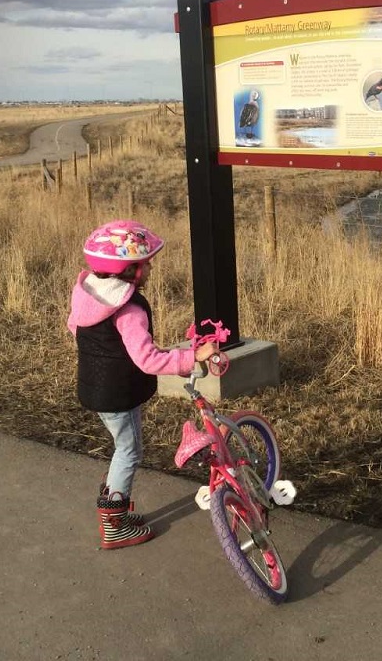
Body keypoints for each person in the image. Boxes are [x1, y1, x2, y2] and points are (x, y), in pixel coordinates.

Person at [67, 220, 215, 550]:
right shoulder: (128, 310)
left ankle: (114, 508)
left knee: (123, 447)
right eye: (145, 262)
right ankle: (114, 523)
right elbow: (147, 360)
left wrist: (102, 356)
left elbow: (74, 327)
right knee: (129, 451)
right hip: (117, 394)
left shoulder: (90, 293)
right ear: (129, 270)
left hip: (95, 387)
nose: (149, 267)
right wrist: (192, 357)